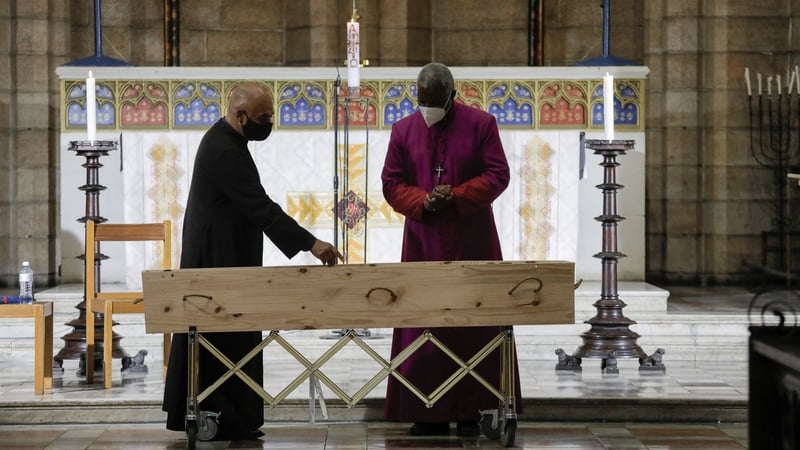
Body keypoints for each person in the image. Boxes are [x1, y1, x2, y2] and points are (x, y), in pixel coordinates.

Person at [162, 82, 343, 441]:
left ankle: (235, 417)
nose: (269, 122)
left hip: (226, 255)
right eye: (264, 117)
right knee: (222, 339)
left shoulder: (228, 141)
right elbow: (260, 206)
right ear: (240, 115)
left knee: (233, 338)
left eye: (271, 115)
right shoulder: (223, 149)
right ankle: (221, 415)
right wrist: (311, 243)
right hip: (217, 262)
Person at [380, 62, 520, 437]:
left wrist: (455, 196)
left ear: (452, 96)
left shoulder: (481, 124)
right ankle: (426, 412)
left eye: (435, 102)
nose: (428, 109)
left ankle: (474, 409)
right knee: (425, 323)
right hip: (423, 242)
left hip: (471, 239)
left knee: (472, 325)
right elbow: (392, 183)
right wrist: (423, 200)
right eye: (422, 101)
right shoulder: (403, 130)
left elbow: (497, 174)